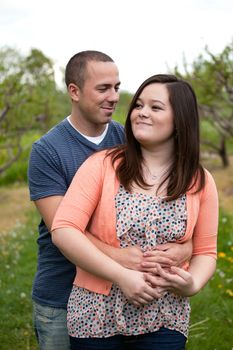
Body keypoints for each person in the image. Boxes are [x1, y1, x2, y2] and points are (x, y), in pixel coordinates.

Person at [28, 52, 191, 350]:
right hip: (62, 296)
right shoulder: (47, 151)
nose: (114, 97)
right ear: (74, 92)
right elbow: (62, 228)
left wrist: (185, 247)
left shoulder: (127, 139)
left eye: (117, 87)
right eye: (103, 88)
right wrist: (123, 259)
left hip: (124, 295)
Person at [51, 74, 219, 350]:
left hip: (165, 315)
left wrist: (192, 284)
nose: (141, 113)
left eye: (155, 107)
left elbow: (206, 252)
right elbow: (64, 230)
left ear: (181, 120)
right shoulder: (102, 165)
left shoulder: (199, 181)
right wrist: (122, 276)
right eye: (139, 105)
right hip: (96, 313)